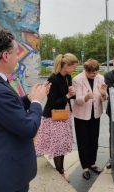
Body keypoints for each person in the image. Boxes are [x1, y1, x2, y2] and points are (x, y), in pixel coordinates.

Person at [0, 30, 48, 192]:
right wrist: (36, 102)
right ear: (6, 56)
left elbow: (2, 110)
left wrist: (28, 98)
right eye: (16, 53)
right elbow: (28, 128)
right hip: (7, 175)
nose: (17, 57)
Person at [34, 53, 78, 181]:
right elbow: (52, 102)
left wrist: (74, 94)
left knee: (61, 145)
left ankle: (61, 170)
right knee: (58, 146)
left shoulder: (68, 77)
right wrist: (68, 96)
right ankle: (61, 173)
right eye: (73, 66)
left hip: (64, 114)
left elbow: (69, 94)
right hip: (54, 117)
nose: (75, 69)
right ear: (65, 65)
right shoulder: (53, 79)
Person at [72, 59, 107, 180]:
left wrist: (103, 94)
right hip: (81, 115)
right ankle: (85, 167)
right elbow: (77, 100)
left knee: (94, 139)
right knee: (83, 142)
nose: (94, 75)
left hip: (95, 114)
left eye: (96, 72)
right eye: (92, 73)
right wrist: (86, 97)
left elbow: (104, 98)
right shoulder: (77, 79)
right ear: (86, 70)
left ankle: (92, 163)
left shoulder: (100, 78)